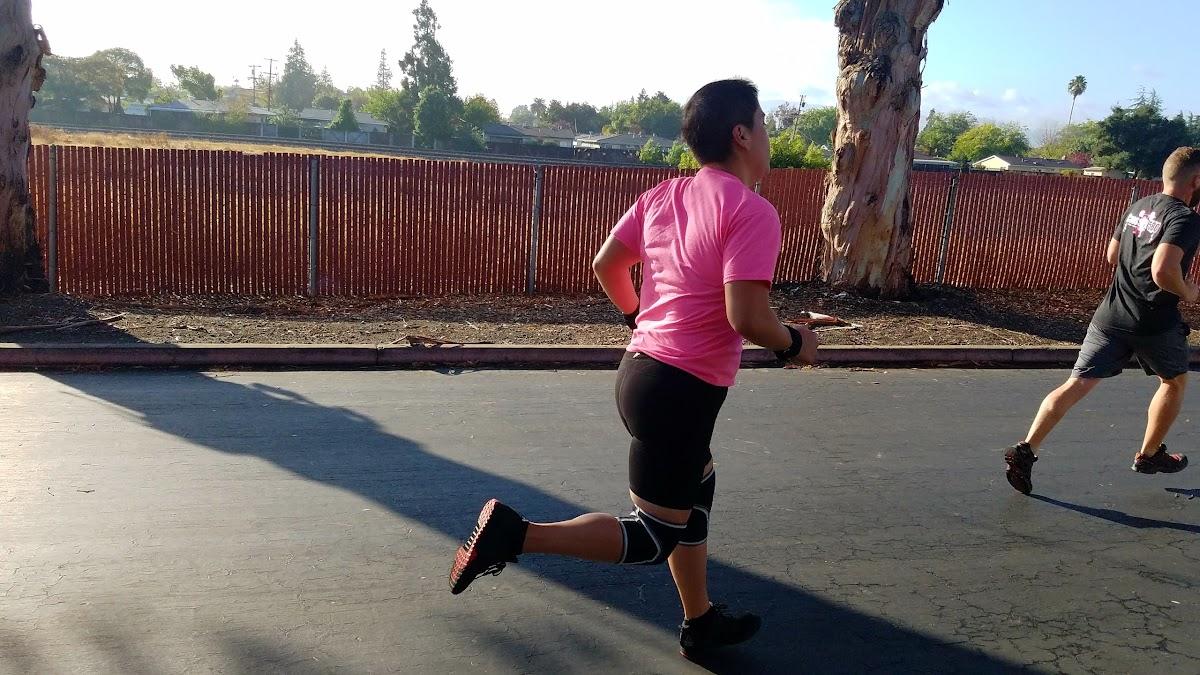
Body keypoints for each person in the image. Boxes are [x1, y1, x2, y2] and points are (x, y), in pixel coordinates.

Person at [447, 78, 818, 659]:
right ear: (741, 135)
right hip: (680, 392)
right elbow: (746, 317)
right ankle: (514, 535)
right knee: (653, 535)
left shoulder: (663, 196)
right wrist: (795, 343)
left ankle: (700, 620)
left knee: (698, 483)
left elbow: (607, 264)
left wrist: (638, 318)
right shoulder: (752, 212)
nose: (769, 136)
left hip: (641, 372)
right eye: (765, 124)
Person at [1005, 147, 1200, 494]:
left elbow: (1112, 255)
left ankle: (1026, 449)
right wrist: (1188, 291)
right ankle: (1149, 455)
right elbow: (1162, 270)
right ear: (1196, 181)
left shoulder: (1139, 206)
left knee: (1076, 384)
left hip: (1111, 316)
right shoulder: (1185, 218)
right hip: (1154, 323)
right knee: (1173, 382)